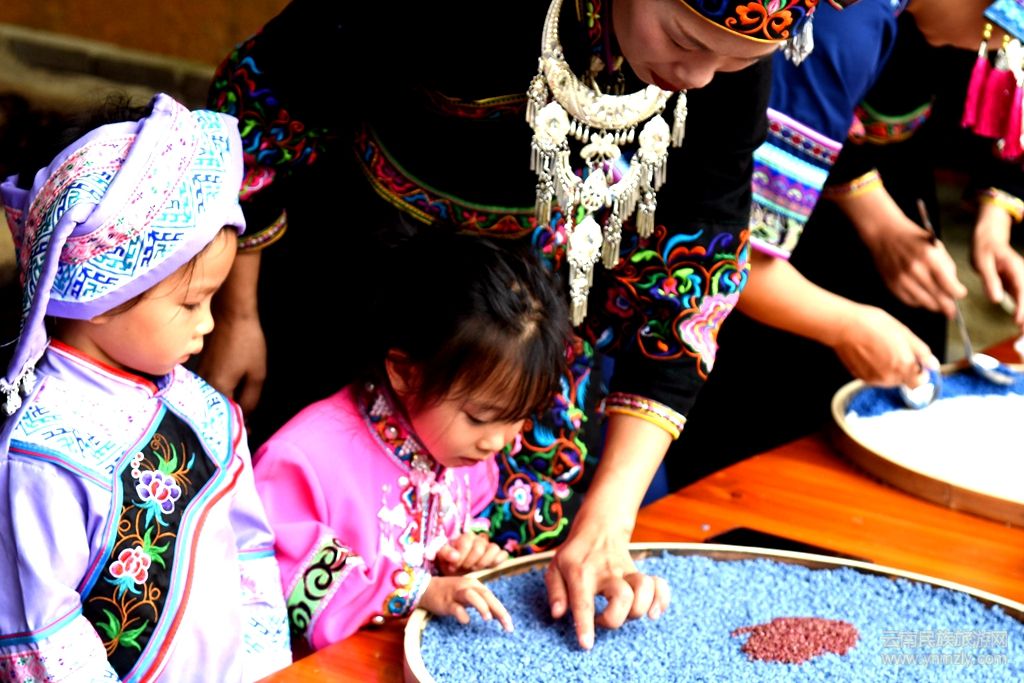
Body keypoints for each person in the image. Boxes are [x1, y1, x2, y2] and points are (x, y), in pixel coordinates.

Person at [204, 0, 861, 649]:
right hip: (356, 282)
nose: (698, 78)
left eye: (738, 61)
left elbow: (691, 277)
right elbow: (262, 108)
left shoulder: (496, 431)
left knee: (500, 588)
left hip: (529, 336)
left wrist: (608, 519)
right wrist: (236, 312)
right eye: (685, 40)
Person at [668, 0, 1024, 486]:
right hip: (700, 271)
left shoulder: (864, 21)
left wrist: (992, 216)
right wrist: (849, 326)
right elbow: (727, 257)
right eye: (1004, 34)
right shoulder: (843, 31)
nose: (998, 48)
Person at [0, 93, 292, 681]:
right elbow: (43, 634)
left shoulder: (204, 409)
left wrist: (265, 671)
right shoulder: (41, 456)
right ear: (98, 293)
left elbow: (250, 549)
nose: (209, 324)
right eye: (191, 302)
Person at [252, 233, 570, 648]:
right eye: (479, 418)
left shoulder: (460, 451)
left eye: (518, 419)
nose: (497, 441)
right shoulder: (302, 458)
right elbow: (281, 577)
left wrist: (464, 556)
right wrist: (415, 591)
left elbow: (459, 528)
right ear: (405, 373)